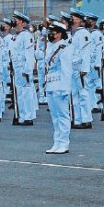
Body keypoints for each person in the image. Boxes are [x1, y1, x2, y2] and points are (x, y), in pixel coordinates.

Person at [44, 21, 73, 154]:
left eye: (53, 32)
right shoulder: (51, 46)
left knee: (62, 116)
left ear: (60, 34)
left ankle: (64, 143)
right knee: (55, 117)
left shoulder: (65, 48)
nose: (50, 34)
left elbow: (66, 70)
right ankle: (56, 143)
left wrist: (66, 89)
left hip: (60, 86)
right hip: (50, 85)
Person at [11, 11, 38, 125]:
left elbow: (29, 55)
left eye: (16, 19)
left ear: (22, 23)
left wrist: (27, 70)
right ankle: (21, 116)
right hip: (17, 69)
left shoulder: (26, 36)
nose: (14, 21)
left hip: (24, 69)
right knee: (20, 94)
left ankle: (28, 117)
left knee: (27, 93)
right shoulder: (16, 36)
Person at [68, 9, 93, 129]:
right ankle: (77, 119)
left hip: (80, 69)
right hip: (73, 68)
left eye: (73, 17)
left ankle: (86, 119)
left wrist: (84, 69)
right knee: (75, 94)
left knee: (83, 94)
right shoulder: (73, 33)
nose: (71, 19)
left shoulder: (83, 33)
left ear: (79, 20)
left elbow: (85, 53)